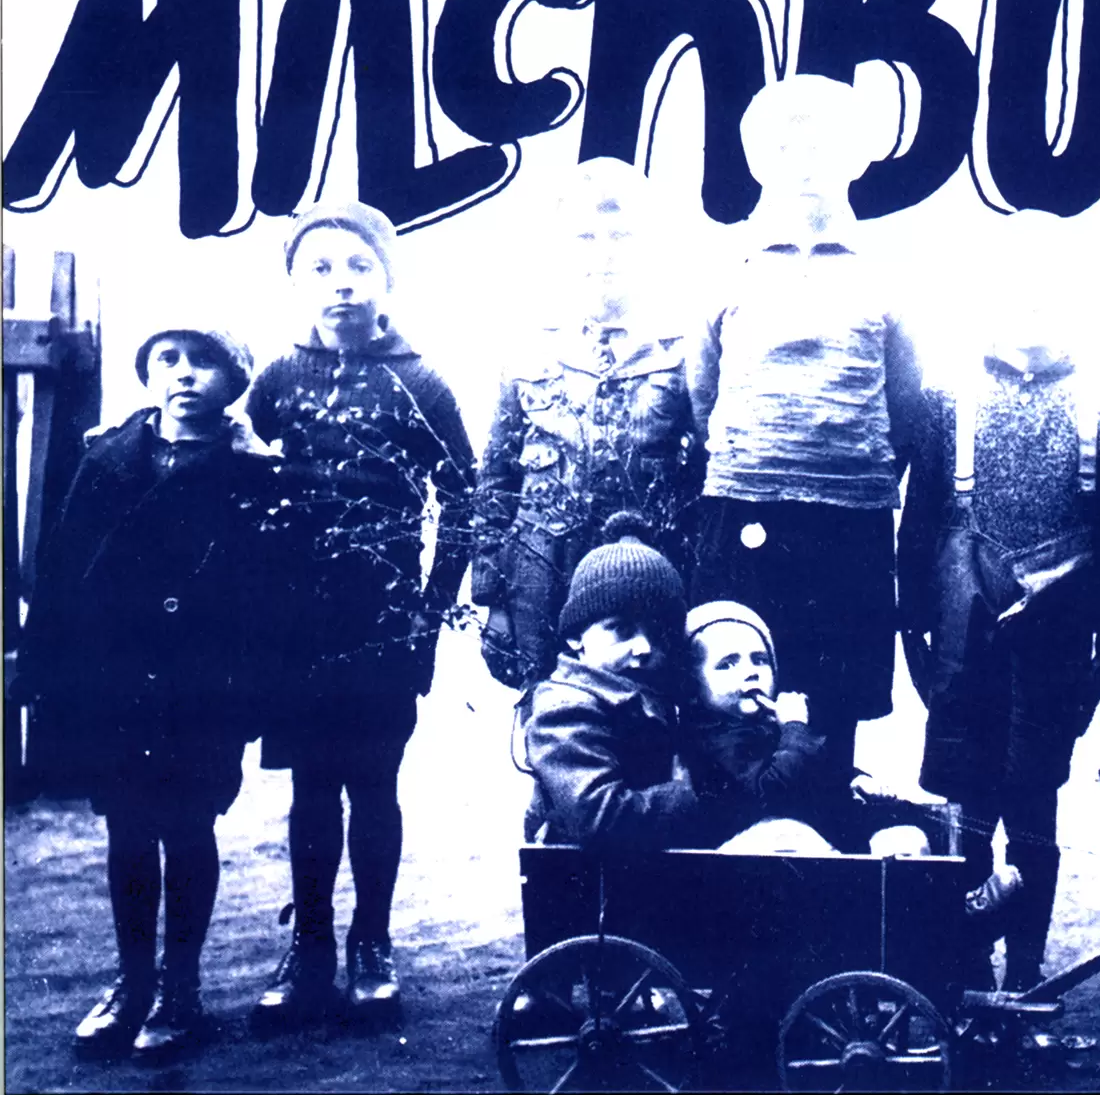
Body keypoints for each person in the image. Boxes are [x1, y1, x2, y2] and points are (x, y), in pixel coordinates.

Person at [17, 324, 275, 1061]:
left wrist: (251, 691)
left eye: (204, 362)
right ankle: (132, 982)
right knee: (128, 829)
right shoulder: (107, 459)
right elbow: (61, 570)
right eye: (169, 359)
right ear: (148, 373)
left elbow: (269, 594)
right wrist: (46, 671)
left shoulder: (252, 472)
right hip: (120, 685)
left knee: (188, 828)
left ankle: (180, 989)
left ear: (235, 379)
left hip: (201, 691)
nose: (184, 375)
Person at [246, 200, 475, 1027]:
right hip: (294, 629)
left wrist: (428, 610)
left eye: (358, 266)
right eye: (321, 268)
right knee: (310, 788)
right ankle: (309, 946)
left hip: (381, 625)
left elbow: (465, 495)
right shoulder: (277, 377)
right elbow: (237, 463)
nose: (340, 283)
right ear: (295, 283)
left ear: (386, 279)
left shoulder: (420, 380)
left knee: (374, 783)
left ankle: (371, 941)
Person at [689, 74, 923, 795]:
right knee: (732, 692)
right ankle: (734, 840)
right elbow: (702, 392)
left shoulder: (886, 274)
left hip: (847, 522)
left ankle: (831, 838)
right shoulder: (727, 267)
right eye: (788, 145)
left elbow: (907, 404)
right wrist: (759, 457)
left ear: (856, 158)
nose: (806, 160)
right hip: (745, 508)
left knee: (833, 702)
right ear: (762, 160)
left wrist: (847, 470)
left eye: (825, 144)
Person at [897, 333, 1100, 990]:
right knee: (966, 813)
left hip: (1056, 647)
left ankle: (1026, 978)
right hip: (964, 636)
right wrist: (916, 643)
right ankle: (968, 973)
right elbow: (919, 526)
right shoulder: (949, 398)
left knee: (1034, 811)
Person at [473, 158, 699, 696]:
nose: (604, 253)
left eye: (621, 236)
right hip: (541, 580)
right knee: (547, 716)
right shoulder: (528, 350)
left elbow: (703, 482)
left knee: (648, 719)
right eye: (584, 237)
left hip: (647, 578)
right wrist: (492, 598)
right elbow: (496, 482)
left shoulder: (683, 353)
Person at [522, 515, 697, 848]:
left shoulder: (655, 695)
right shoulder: (566, 710)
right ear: (576, 636)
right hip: (582, 875)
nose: (644, 648)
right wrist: (692, 797)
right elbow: (598, 816)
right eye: (621, 629)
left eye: (657, 633)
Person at [680, 599, 831, 852]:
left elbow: (815, 774)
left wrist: (856, 780)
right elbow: (770, 794)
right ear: (692, 687)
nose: (751, 672)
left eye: (760, 660)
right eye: (727, 664)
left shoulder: (769, 726)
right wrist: (795, 727)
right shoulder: (711, 739)